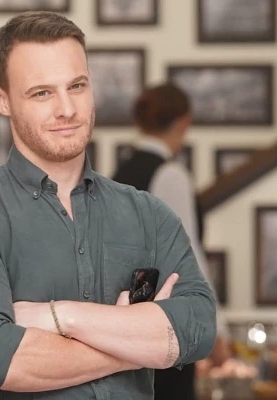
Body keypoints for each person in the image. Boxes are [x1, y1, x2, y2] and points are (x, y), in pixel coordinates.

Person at [0, 12, 217, 400]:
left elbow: (198, 328)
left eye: (76, 86)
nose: (66, 109)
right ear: (2, 100)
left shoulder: (150, 215)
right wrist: (134, 341)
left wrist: (61, 317)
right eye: (42, 93)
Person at [112, 83, 231, 400]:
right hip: (164, 325)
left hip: (122, 326)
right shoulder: (169, 175)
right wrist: (215, 328)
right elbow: (187, 256)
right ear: (184, 121)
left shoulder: (118, 174)